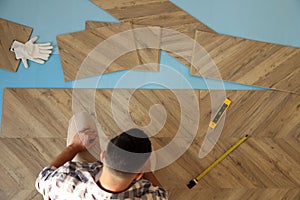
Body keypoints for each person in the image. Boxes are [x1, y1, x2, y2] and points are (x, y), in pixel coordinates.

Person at [35, 127, 168, 199]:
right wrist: (147, 171)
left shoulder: (64, 182)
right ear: (139, 175)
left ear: (103, 156)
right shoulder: (150, 196)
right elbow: (162, 194)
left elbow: (42, 178)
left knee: (82, 121)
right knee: (153, 158)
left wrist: (74, 147)